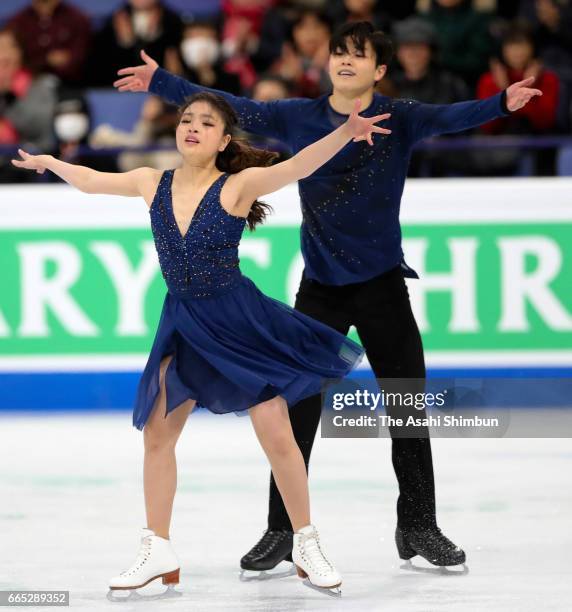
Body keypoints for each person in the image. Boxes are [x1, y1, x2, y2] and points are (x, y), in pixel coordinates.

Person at [113, 20, 541, 574]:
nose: (345, 60)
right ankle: (280, 532)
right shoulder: (299, 116)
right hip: (320, 288)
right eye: (339, 51)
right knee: (293, 411)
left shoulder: (401, 115)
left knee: (407, 404)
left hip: (383, 284)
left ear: (379, 70)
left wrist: (501, 103)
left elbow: (450, 116)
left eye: (358, 54)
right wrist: (163, 81)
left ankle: (418, 525)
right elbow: (231, 105)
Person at [12, 91, 390, 596]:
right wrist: (52, 161)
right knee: (157, 434)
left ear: (223, 140)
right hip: (185, 322)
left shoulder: (237, 187)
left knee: (276, 432)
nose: (192, 127)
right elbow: (93, 181)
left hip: (238, 321)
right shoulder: (152, 182)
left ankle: (305, 540)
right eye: (186, 119)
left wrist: (345, 132)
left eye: (206, 123)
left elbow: (299, 164)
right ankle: (158, 548)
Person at [0, 28, 57, 183]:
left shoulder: (39, 85)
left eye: (8, 47)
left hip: (30, 162)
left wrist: (10, 94)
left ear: (21, 52)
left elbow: (40, 130)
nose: (3, 54)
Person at [6, 0, 91, 86]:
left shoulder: (77, 19)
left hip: (70, 84)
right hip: (29, 83)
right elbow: (12, 58)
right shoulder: (18, 22)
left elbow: (82, 56)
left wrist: (67, 60)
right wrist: (45, 60)